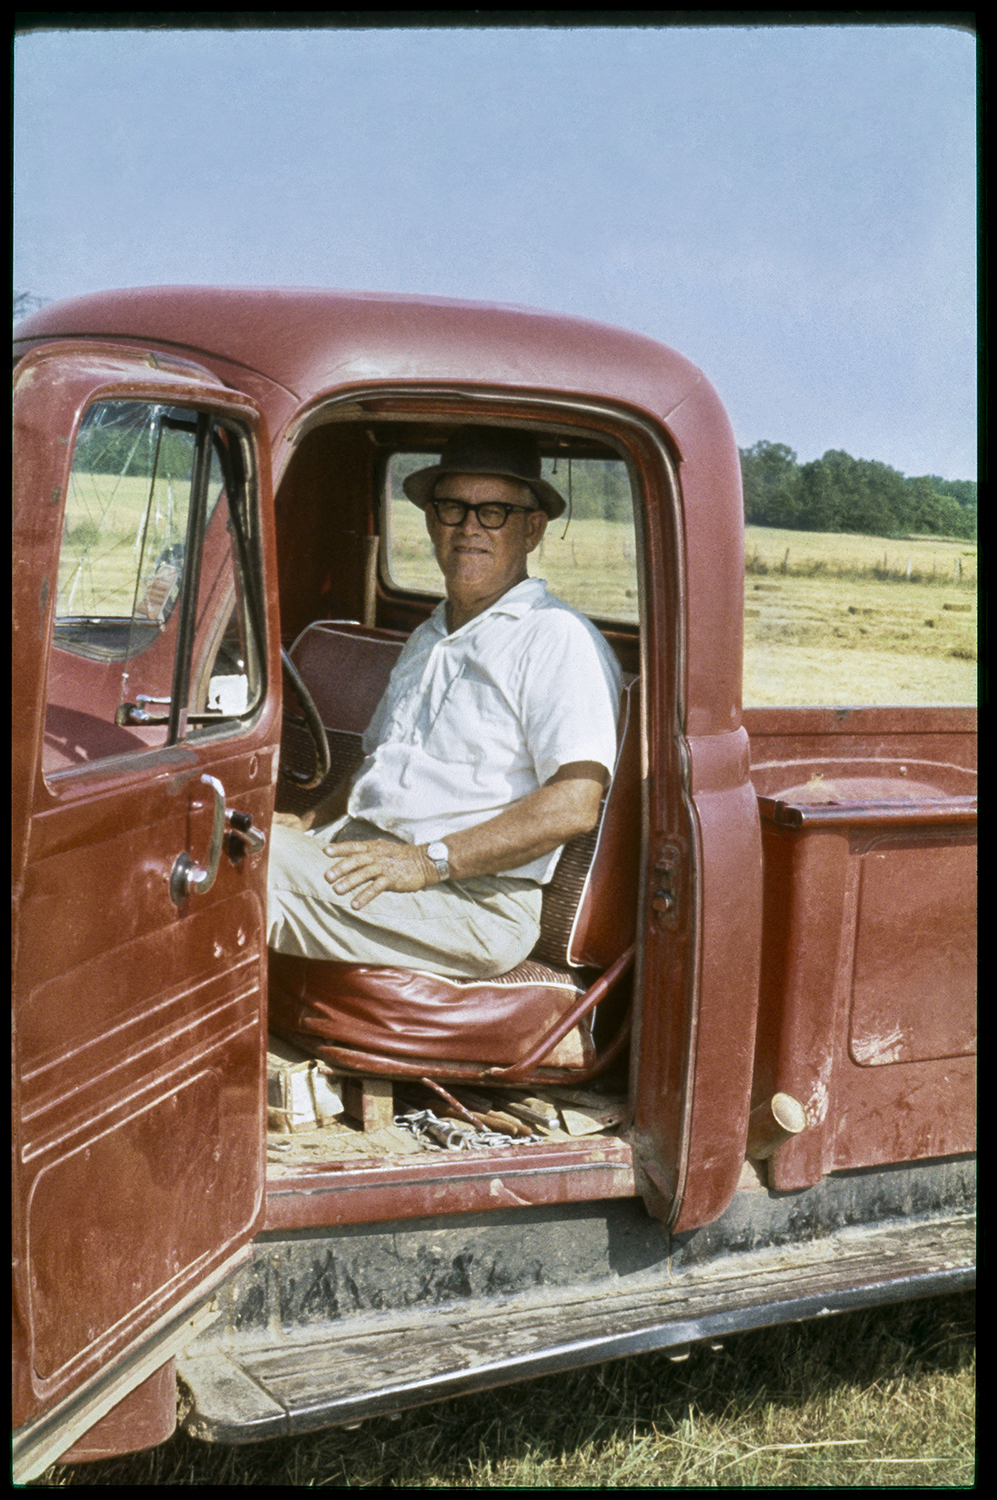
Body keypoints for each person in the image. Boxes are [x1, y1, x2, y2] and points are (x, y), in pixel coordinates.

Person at [267, 426, 622, 979]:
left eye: (494, 513)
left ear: (532, 530)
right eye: (452, 509)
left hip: (474, 901)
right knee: (226, 837)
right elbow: (375, 763)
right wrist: (309, 821)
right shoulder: (430, 634)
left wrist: (426, 861)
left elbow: (574, 804)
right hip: (370, 855)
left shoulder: (555, 638)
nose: (469, 529)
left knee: (240, 869)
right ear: (432, 520)